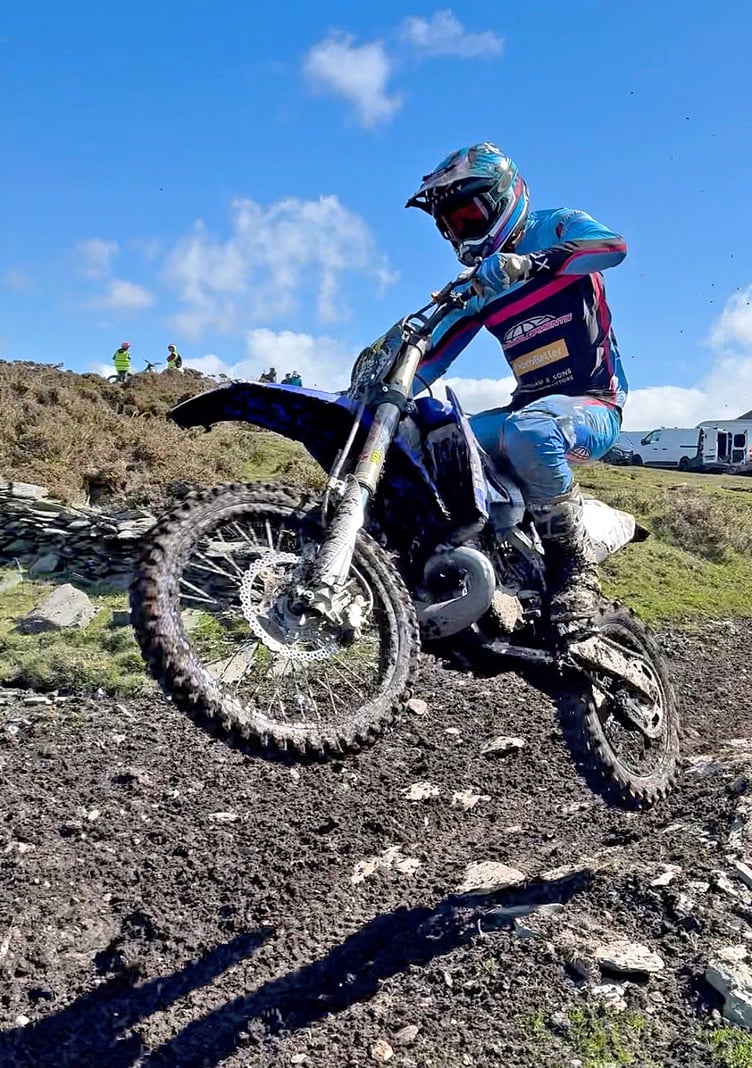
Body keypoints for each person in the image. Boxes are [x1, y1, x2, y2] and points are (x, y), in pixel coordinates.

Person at [403, 142, 628, 628]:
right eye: (451, 227)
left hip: (593, 403)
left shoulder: (558, 225)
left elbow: (612, 248)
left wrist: (529, 263)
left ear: (503, 196)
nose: (462, 232)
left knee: (530, 432)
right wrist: (383, 385)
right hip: (523, 408)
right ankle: (461, 563)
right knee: (426, 434)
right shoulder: (481, 283)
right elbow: (433, 359)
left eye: (468, 215)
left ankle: (575, 573)